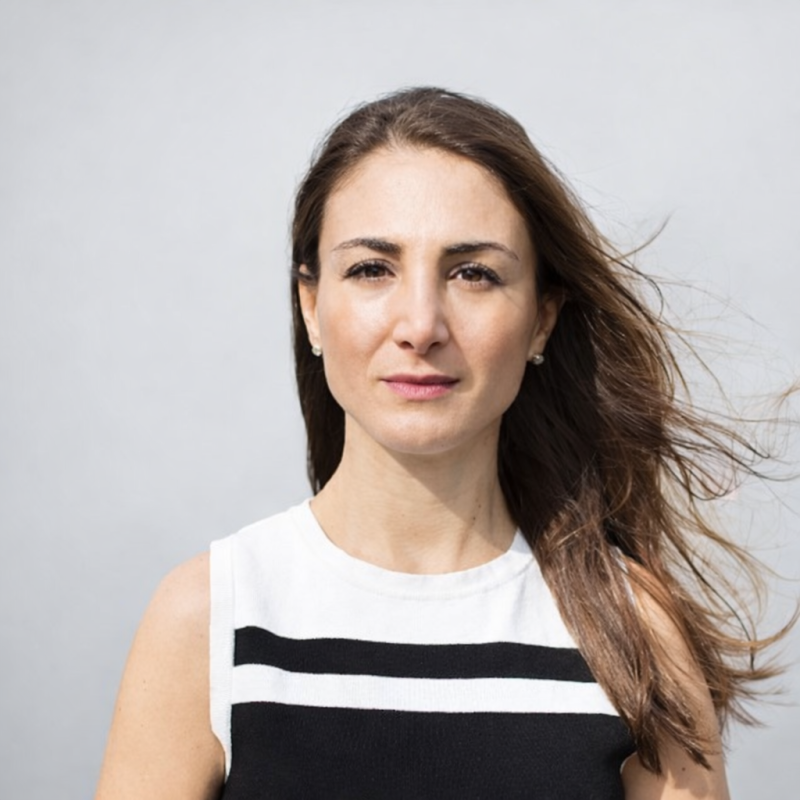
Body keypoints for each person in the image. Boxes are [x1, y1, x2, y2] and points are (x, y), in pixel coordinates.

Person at [95, 87, 789, 799]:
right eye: (372, 268)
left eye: (473, 273)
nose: (421, 324)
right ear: (310, 305)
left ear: (542, 320)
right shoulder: (210, 620)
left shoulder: (634, 634)